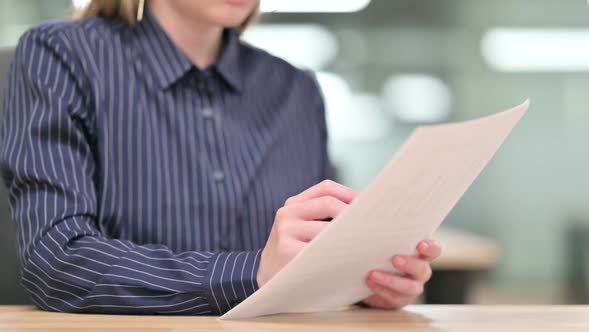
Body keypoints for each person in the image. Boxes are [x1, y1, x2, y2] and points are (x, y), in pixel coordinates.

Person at [0, 0, 441, 315]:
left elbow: (311, 257)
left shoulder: (295, 91)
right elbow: (56, 261)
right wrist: (253, 272)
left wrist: (368, 283)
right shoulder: (61, 56)